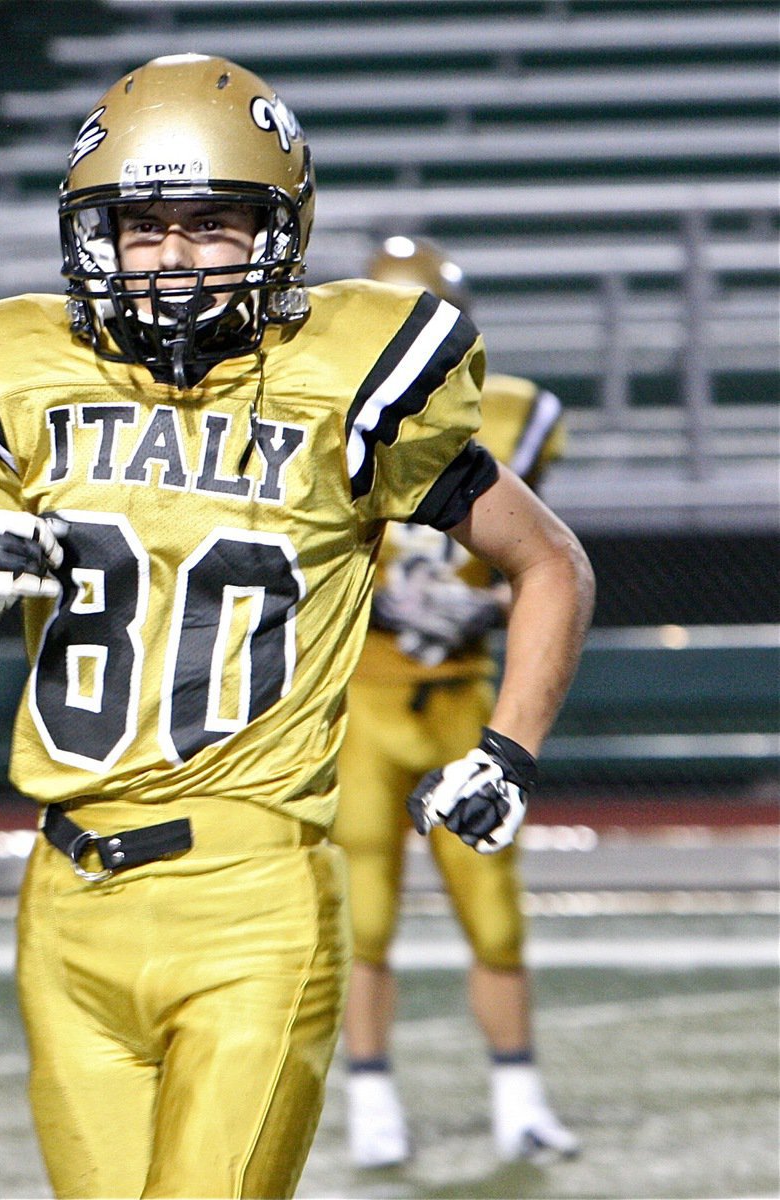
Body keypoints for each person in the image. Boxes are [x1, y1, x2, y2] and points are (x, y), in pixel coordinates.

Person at [0, 54, 594, 1200]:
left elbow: (546, 558)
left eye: (211, 224)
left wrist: (507, 749)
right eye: (140, 226)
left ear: (280, 232)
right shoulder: (22, 386)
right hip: (62, 902)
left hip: (252, 891)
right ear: (89, 236)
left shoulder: (346, 378)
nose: (170, 258)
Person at [332, 235, 582, 1168]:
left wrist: (479, 603)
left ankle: (519, 1097)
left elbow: (541, 563)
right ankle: (370, 1102)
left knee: (494, 908)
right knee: (365, 913)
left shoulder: (516, 414)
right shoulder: (321, 409)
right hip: (365, 693)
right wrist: (376, 600)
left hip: (462, 699)